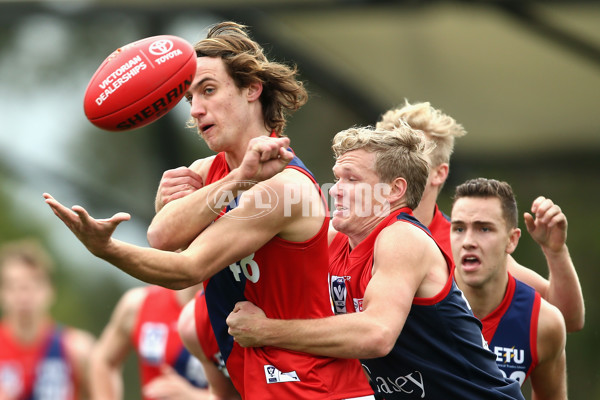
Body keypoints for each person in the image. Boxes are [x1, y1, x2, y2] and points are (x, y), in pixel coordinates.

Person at [43, 21, 374, 400]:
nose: (197, 110)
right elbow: (162, 237)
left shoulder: (286, 187)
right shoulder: (210, 171)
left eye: (209, 90)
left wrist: (105, 249)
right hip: (269, 388)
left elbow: (187, 269)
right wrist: (233, 181)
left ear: (252, 89)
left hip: (320, 391)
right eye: (189, 99)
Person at [226, 125, 525, 399]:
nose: (336, 189)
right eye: (337, 177)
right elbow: (247, 242)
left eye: (352, 179)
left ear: (394, 190)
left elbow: (376, 335)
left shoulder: (401, 236)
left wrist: (264, 331)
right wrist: (231, 182)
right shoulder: (338, 238)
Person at [375, 99, 585, 332]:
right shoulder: (351, 236)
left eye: (413, 156)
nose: (399, 167)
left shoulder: (464, 242)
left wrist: (555, 252)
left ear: (439, 173)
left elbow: (566, 318)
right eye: (390, 158)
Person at [450, 178, 567, 399]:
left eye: (484, 228)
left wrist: (556, 252)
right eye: (458, 228)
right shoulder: (419, 304)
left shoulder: (543, 322)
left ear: (511, 241)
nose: (467, 241)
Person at [89, 283, 238, 400]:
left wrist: (193, 397)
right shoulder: (139, 303)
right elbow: (103, 360)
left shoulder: (232, 313)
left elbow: (253, 389)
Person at [0, 238, 95, 400]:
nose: (23, 295)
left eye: (32, 285)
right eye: (13, 285)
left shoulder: (78, 349)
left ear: (50, 290)